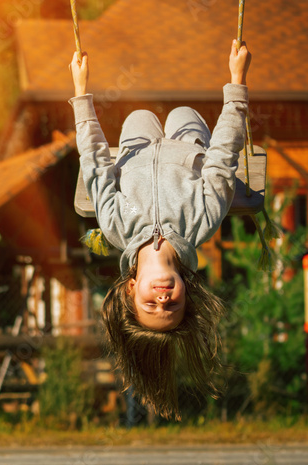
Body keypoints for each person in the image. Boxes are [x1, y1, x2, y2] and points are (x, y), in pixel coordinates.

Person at [69, 40, 251, 419]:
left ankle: (141, 125)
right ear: (186, 289)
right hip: (187, 146)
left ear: (132, 289)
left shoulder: (119, 225)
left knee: (137, 115)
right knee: (184, 112)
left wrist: (81, 92)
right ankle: (184, 125)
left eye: (151, 305)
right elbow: (223, 158)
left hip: (135, 149)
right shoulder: (200, 222)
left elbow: (96, 166)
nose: (163, 299)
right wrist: (236, 82)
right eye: (174, 305)